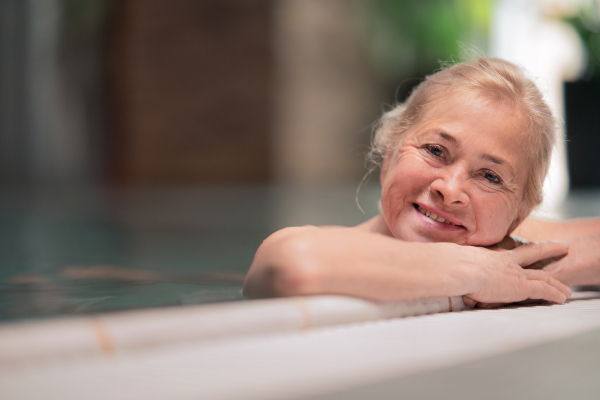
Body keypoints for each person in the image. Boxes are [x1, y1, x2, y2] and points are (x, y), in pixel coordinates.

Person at [243, 57, 600, 307]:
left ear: (519, 214)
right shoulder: (327, 246)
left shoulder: (508, 253)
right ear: (390, 155)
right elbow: (292, 265)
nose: (450, 188)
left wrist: (552, 269)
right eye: (435, 150)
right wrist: (470, 272)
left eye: (490, 176)